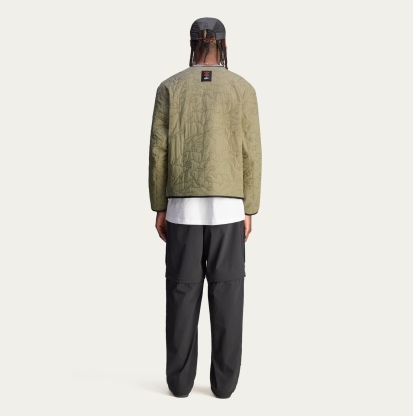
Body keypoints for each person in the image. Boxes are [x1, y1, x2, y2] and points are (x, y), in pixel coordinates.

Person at [148, 17, 262, 399]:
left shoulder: (170, 87)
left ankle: (179, 384)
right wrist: (250, 208)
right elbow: (251, 153)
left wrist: (159, 206)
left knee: (182, 295)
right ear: (223, 46)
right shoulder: (242, 89)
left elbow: (158, 152)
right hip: (229, 212)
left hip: (182, 210)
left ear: (192, 44)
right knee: (228, 296)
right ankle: (224, 386)